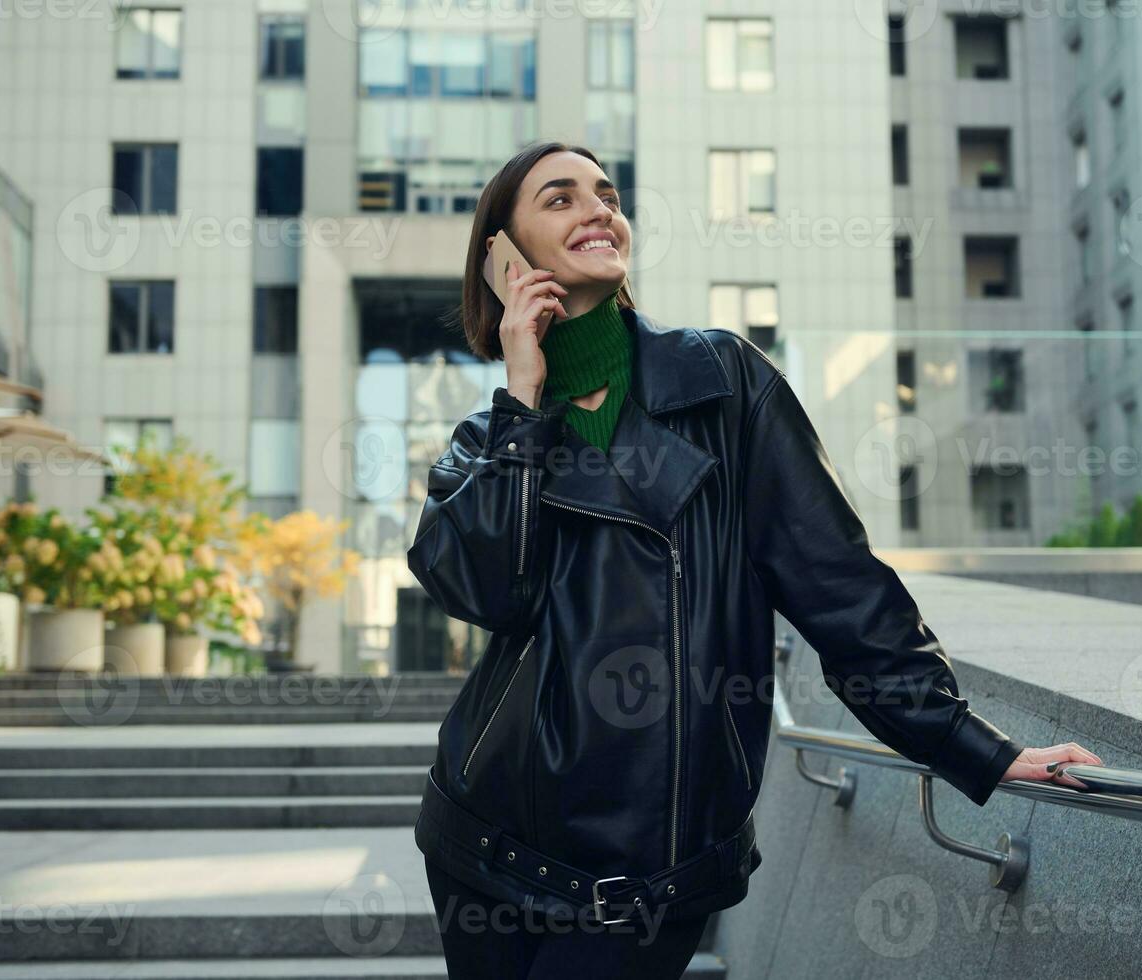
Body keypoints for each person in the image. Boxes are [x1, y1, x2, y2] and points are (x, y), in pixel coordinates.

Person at [408, 140, 1104, 979]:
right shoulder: (490, 439)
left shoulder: (722, 381)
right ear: (503, 257)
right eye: (559, 199)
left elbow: (838, 582)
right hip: (486, 844)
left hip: (650, 867)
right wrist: (523, 393)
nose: (598, 208)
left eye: (607, 193)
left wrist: (971, 747)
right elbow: (484, 591)